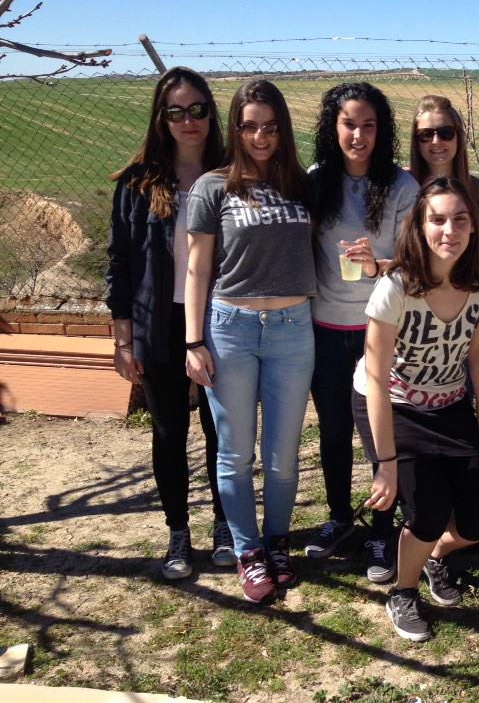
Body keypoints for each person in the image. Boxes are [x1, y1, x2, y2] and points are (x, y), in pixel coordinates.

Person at [184, 79, 315, 604]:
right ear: (235, 129)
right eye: (249, 126)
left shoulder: (302, 185)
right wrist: (193, 342)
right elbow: (197, 269)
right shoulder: (212, 187)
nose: (261, 137)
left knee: (283, 454)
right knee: (235, 452)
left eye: (271, 127)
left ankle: (277, 541)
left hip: (293, 330)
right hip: (230, 328)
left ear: (284, 129)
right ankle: (248, 550)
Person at [352, 176, 479, 642]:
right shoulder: (396, 286)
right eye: (438, 220)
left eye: (460, 219)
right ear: (420, 225)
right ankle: (404, 590)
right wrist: (386, 464)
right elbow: (376, 378)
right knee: (429, 511)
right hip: (393, 403)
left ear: (473, 226)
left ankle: (434, 557)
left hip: (450, 403)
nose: (449, 230)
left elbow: (478, 349)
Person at [106, 66, 231, 580]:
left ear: (210, 113)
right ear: (161, 118)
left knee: (222, 428)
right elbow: (119, 262)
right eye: (175, 112)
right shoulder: (138, 183)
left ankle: (226, 525)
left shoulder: (232, 173)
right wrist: (123, 340)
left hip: (221, 318)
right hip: (158, 320)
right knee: (168, 431)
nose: (187, 120)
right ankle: (178, 531)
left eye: (197, 109)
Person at [304, 82, 419, 585]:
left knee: (380, 436)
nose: (358, 135)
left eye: (368, 125)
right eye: (349, 124)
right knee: (332, 431)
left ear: (382, 130)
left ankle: (381, 529)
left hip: (380, 329)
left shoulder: (401, 186)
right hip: (326, 327)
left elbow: (417, 261)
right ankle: (340, 518)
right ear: (333, 127)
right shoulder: (315, 181)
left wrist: (379, 266)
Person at [408, 94, 479, 226]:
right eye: (426, 134)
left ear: (458, 137)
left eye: (446, 133)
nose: (436, 141)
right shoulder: (404, 187)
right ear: (416, 141)